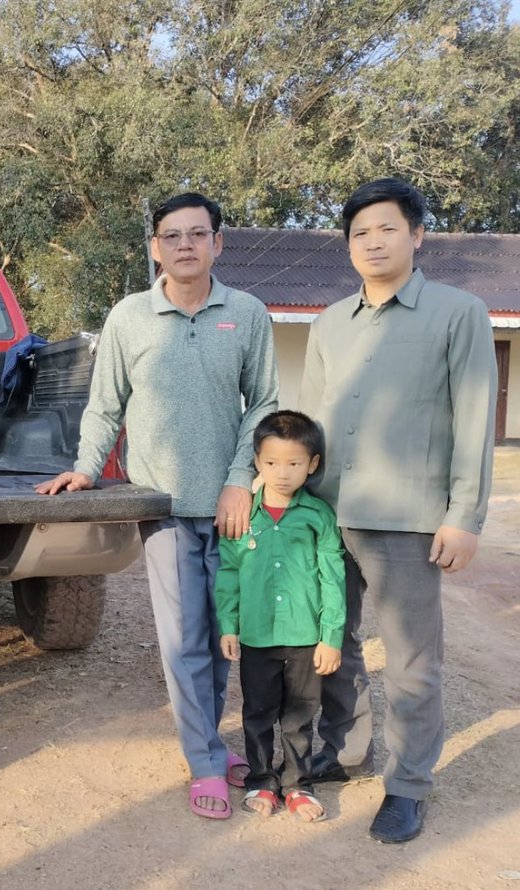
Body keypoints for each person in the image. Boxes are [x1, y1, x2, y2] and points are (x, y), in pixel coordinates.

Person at [37, 193, 279, 820]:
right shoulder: (130, 317)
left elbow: (263, 404)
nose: (185, 245)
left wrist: (239, 480)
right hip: (163, 504)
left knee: (223, 634)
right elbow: (105, 404)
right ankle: (205, 759)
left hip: (231, 507)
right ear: (155, 248)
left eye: (198, 234)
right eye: (172, 236)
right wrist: (86, 467)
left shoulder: (247, 314)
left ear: (218, 243)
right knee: (182, 639)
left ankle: (208, 741)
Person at [299, 178, 496, 844]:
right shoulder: (329, 323)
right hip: (328, 513)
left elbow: (475, 418)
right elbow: (312, 422)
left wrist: (464, 515)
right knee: (335, 640)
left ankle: (408, 785)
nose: (373, 242)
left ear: (417, 235)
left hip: (407, 518)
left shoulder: (458, 312)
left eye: (387, 228)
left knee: (412, 659)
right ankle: (344, 749)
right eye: (360, 232)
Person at [215, 410, 345, 821]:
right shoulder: (244, 517)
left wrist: (331, 636)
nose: (282, 473)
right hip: (257, 637)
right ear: (257, 461)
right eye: (271, 462)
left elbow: (332, 578)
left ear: (313, 464)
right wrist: (229, 626)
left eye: (294, 463)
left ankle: (297, 785)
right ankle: (261, 780)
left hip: (305, 638)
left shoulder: (318, 517)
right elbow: (229, 572)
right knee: (257, 713)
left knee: (299, 716)